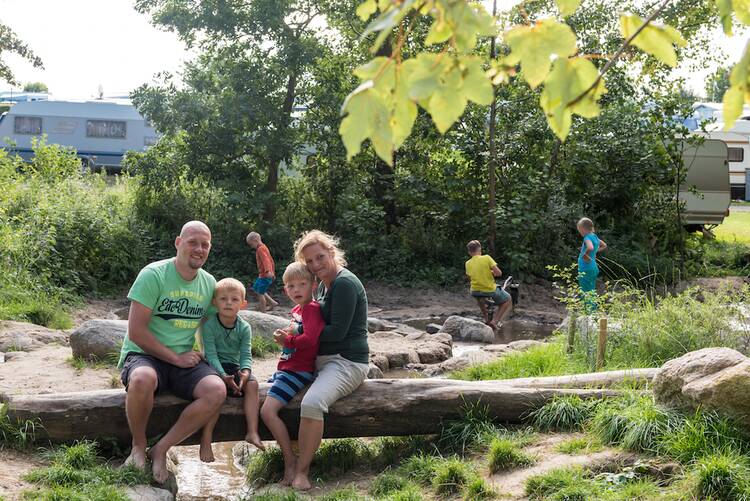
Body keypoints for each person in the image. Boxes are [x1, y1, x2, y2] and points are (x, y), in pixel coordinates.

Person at [117, 221, 226, 484]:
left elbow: (212, 330)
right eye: (193, 242)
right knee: (143, 378)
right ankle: (138, 447)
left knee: (216, 390)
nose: (199, 249)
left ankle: (162, 448)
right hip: (144, 354)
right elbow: (137, 332)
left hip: (184, 359)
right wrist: (175, 358)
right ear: (178, 243)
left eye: (205, 244)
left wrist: (230, 368)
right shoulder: (153, 275)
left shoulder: (209, 283)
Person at [291, 230, 369, 491]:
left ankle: (302, 472)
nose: (315, 265)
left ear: (332, 253)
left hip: (347, 361)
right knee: (282, 392)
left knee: (312, 403)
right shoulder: (325, 283)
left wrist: (300, 333)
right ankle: (289, 460)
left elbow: (337, 332)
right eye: (309, 262)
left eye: (320, 257)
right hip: (324, 359)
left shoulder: (345, 283)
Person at [260, 262, 323, 486]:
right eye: (290, 286)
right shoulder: (297, 310)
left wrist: (286, 339)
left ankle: (290, 460)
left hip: (299, 371)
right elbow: (298, 337)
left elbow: (310, 340)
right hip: (287, 369)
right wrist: (287, 337)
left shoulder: (312, 309)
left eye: (302, 284)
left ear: (313, 285)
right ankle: (290, 455)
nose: (296, 290)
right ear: (285, 290)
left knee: (267, 412)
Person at [199, 277, 264, 462]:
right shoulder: (210, 325)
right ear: (214, 302)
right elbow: (210, 355)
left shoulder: (244, 327)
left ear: (242, 304)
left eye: (234, 299)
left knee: (252, 385)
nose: (228, 303)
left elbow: (245, 354)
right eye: (223, 299)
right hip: (214, 367)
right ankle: (207, 438)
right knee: (217, 391)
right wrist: (223, 375)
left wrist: (245, 372)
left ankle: (252, 432)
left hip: (234, 367)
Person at [465, 240, 512, 330]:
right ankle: (495, 321)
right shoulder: (486, 258)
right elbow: (498, 273)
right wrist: (491, 272)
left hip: (475, 290)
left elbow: (470, 277)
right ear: (480, 249)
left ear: (469, 252)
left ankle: (486, 319)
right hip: (489, 289)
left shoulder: (467, 263)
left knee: (479, 298)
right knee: (507, 299)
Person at [577, 217, 607, 312]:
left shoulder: (587, 237)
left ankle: (587, 313)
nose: (579, 232)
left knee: (585, 290)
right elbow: (604, 245)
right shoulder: (594, 236)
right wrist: (593, 252)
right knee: (591, 290)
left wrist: (585, 255)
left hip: (586, 268)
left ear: (583, 228)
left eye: (579, 229)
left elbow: (590, 247)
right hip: (593, 267)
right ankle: (593, 311)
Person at [246, 231, 278, 312]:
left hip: (265, 275)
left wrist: (268, 271)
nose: (251, 246)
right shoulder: (263, 247)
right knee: (256, 288)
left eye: (251, 244)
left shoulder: (261, 249)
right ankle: (272, 302)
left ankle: (263, 312)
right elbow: (271, 260)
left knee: (260, 293)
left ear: (256, 240)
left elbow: (266, 260)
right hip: (262, 275)